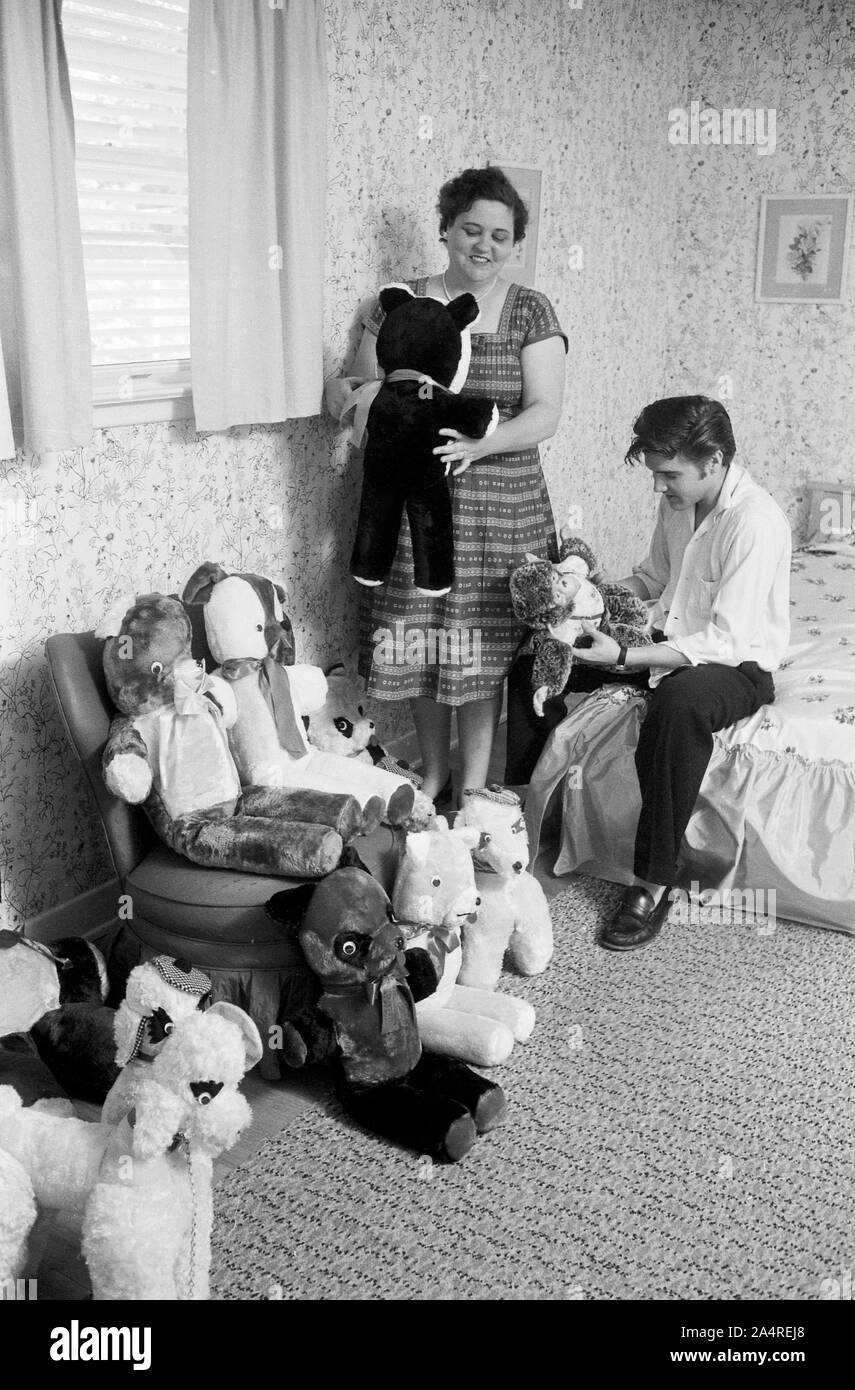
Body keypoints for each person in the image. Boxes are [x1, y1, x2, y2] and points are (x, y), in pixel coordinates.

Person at [346, 166, 567, 808]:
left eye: (501, 237)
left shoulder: (530, 309)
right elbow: (361, 388)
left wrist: (481, 443)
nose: (485, 246)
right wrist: (365, 403)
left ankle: (472, 786)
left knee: (481, 648)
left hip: (505, 505)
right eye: (472, 229)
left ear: (515, 246)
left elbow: (545, 411)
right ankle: (433, 777)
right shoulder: (403, 301)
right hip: (421, 505)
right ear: (445, 229)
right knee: (423, 637)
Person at [568, 395, 791, 951]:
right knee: (549, 652)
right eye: (655, 474)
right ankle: (514, 818)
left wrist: (624, 659)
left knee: (679, 704)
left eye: (669, 474)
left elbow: (724, 640)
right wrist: (586, 601)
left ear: (713, 460)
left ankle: (653, 882)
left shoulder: (755, 523)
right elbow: (652, 578)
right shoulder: (675, 501)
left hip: (738, 665)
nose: (659, 487)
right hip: (673, 639)